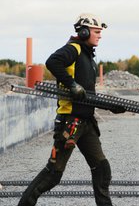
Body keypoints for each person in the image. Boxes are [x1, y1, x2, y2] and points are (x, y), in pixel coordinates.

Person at [18, 13, 121, 206]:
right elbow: (52, 62)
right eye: (96, 32)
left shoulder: (88, 55)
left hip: (86, 123)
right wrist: (72, 84)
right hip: (70, 122)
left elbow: (88, 95)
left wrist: (111, 106)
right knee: (52, 175)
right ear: (84, 32)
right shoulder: (73, 49)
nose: (100, 36)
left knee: (101, 169)